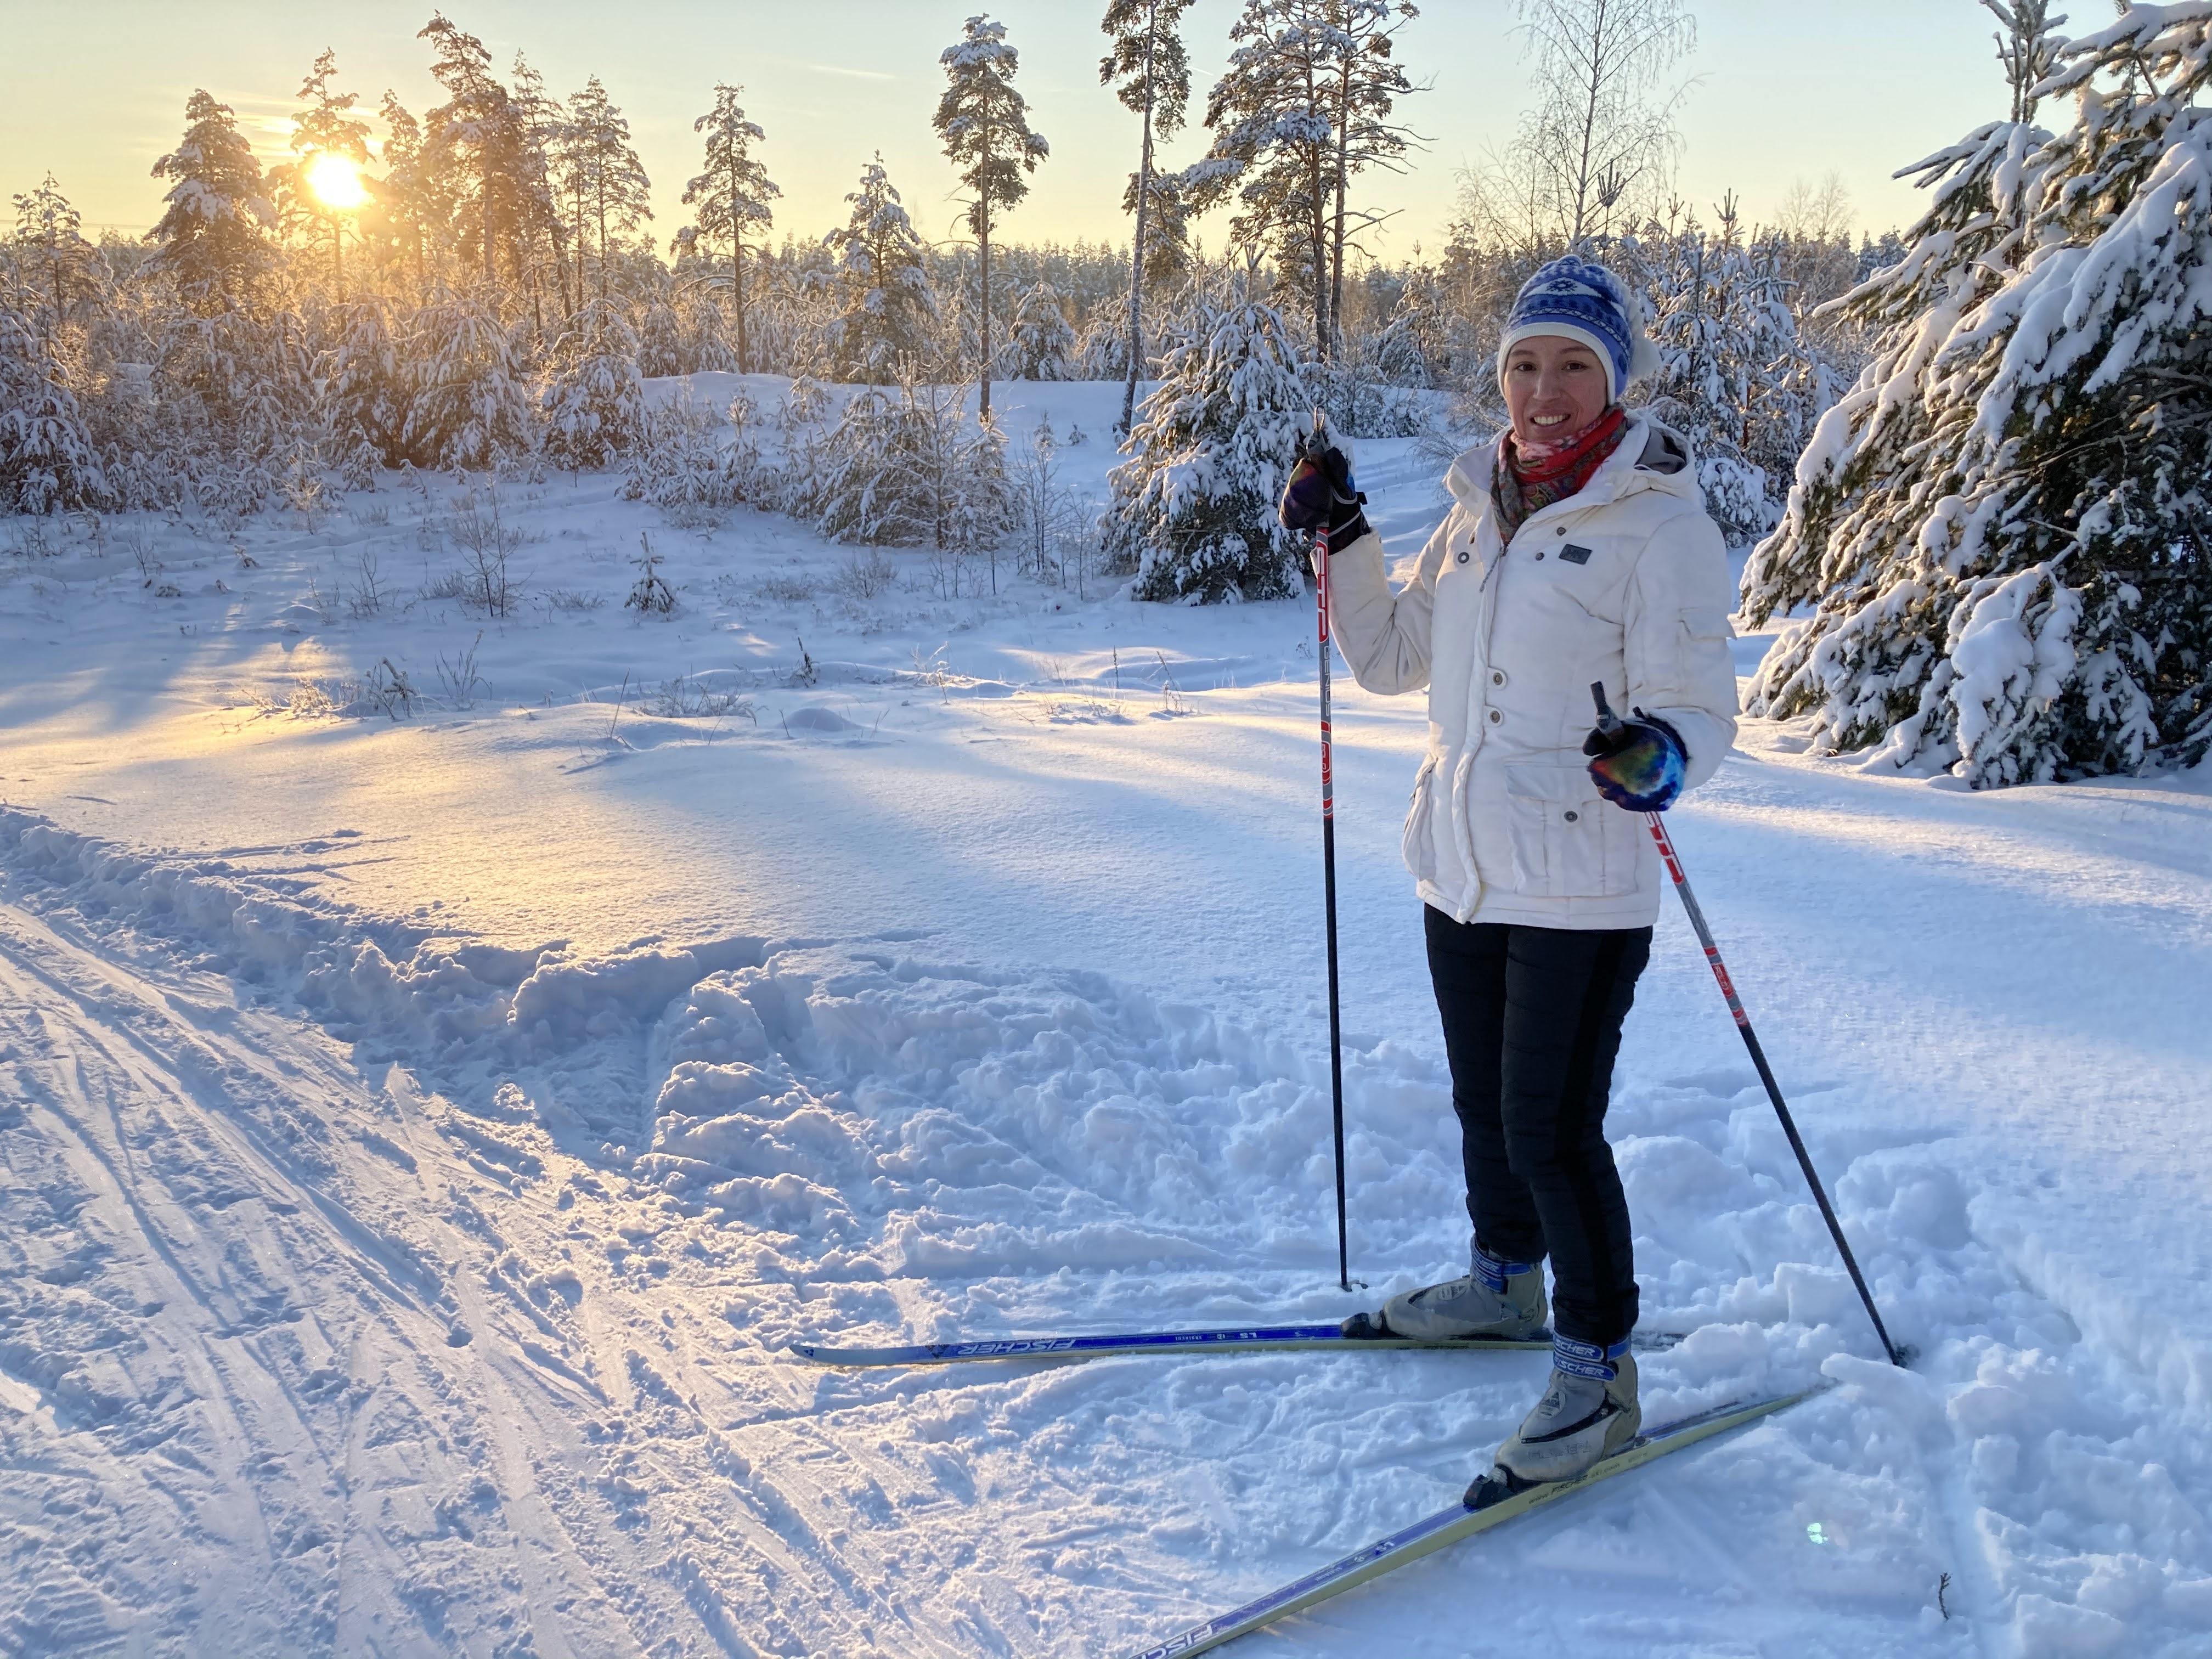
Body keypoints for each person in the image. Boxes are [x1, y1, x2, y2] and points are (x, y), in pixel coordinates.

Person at [1278, 254, 1740, 1491]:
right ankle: (1501, 1285)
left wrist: (1665, 753)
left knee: (1552, 1126)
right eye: (1525, 365)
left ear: (1615, 378)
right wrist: (1347, 536)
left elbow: (1699, 704)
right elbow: (1387, 660)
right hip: (1462, 862)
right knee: (1485, 1104)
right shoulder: (1476, 506)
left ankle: (1597, 1378)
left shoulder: (1659, 525)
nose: (1544, 392)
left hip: (1583, 878)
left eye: (1574, 366)